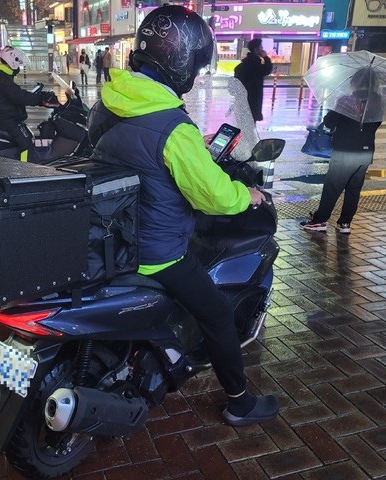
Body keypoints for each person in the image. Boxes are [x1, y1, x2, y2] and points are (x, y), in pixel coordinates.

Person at [86, 5, 279, 427]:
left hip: (110, 236)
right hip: (157, 251)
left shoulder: (111, 103)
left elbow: (138, 157)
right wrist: (246, 195)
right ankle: (240, 402)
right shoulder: (174, 127)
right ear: (180, 62)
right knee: (217, 315)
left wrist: (192, 149)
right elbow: (213, 197)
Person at [301, 69, 383, 234]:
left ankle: (320, 220)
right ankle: (345, 223)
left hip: (345, 151)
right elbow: (376, 124)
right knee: (354, 189)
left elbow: (329, 122)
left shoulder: (346, 101)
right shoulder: (378, 102)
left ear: (355, 83)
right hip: (365, 153)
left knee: (332, 187)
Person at [0, 46, 58, 162]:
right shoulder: (2, 77)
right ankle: (25, 171)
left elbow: (16, 93)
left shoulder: (4, 74)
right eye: (18, 62)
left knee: (28, 137)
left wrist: (39, 96)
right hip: (7, 119)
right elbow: (18, 96)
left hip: (9, 117)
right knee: (27, 143)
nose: (19, 66)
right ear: (12, 61)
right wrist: (40, 100)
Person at [234, 38, 272, 124]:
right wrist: (266, 58)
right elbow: (267, 70)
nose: (262, 49)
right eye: (260, 47)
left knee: (242, 124)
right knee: (250, 125)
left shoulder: (242, 65)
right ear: (256, 49)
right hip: (253, 99)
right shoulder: (256, 65)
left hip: (241, 99)